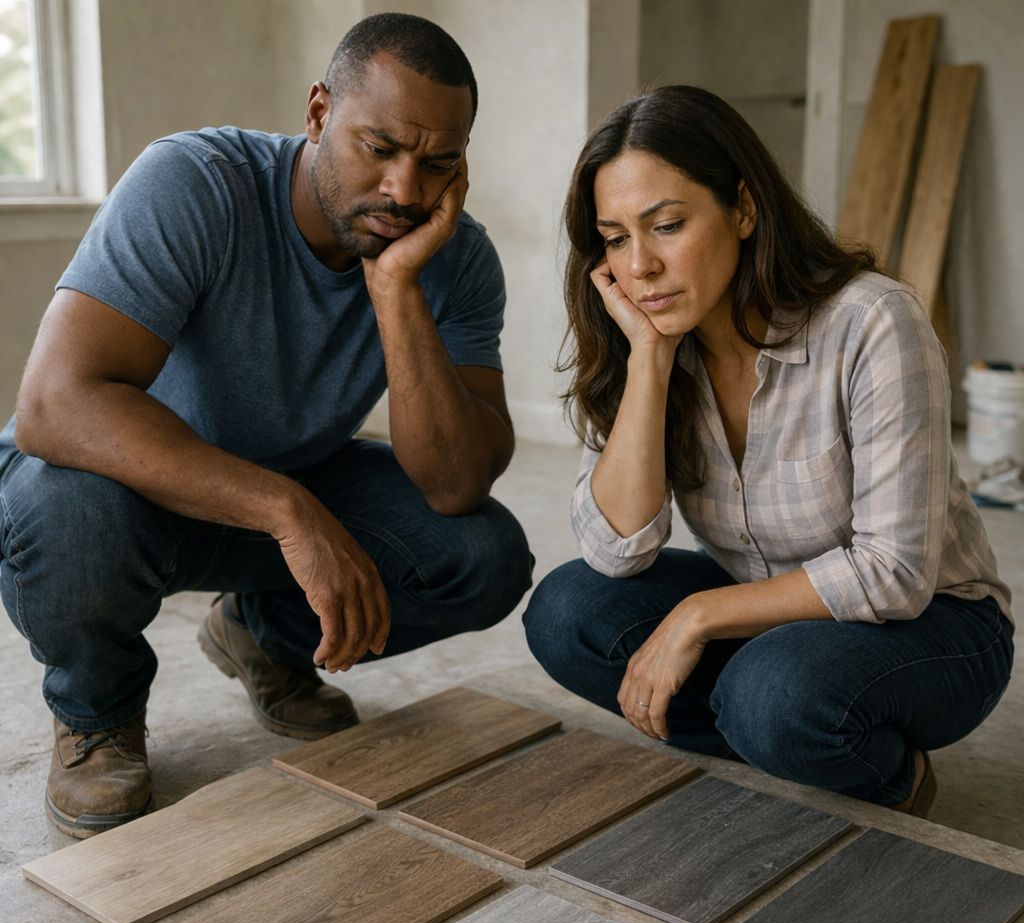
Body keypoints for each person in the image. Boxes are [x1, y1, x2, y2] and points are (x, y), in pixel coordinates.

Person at [0, 13, 532, 838]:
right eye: (379, 148)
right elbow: (55, 404)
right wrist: (289, 512)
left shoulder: (453, 257)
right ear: (318, 113)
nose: (405, 190)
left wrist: (394, 290)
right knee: (60, 509)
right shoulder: (195, 181)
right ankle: (97, 713)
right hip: (121, 488)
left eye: (438, 164)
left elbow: (457, 483)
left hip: (287, 475)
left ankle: (259, 633)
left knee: (482, 556)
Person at [523, 85, 1013, 814]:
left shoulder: (873, 321)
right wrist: (651, 363)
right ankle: (777, 732)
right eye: (617, 239)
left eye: (666, 225)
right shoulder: (655, 340)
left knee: (774, 693)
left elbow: (895, 573)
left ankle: (885, 772)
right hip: (772, 621)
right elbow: (617, 551)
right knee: (566, 611)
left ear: (744, 209)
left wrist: (697, 618)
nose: (641, 266)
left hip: (933, 625)